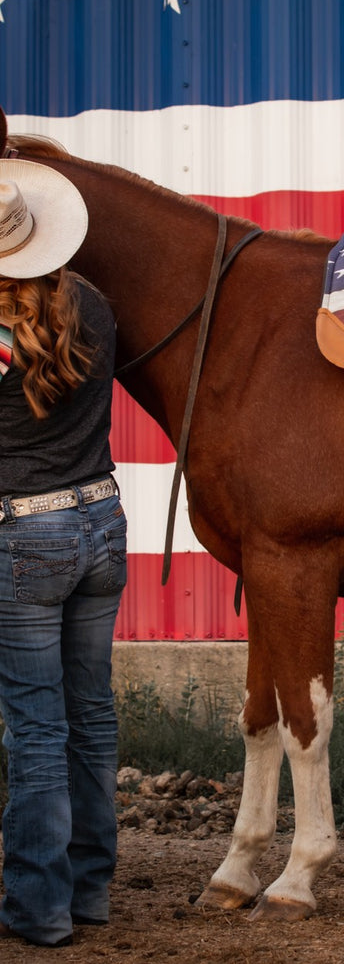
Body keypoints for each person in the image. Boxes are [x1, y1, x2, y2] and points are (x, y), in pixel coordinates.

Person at [0, 158, 127, 948]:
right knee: (92, 719)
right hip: (103, 520)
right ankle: (89, 891)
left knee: (36, 728)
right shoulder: (99, 309)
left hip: (27, 536)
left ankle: (38, 908)